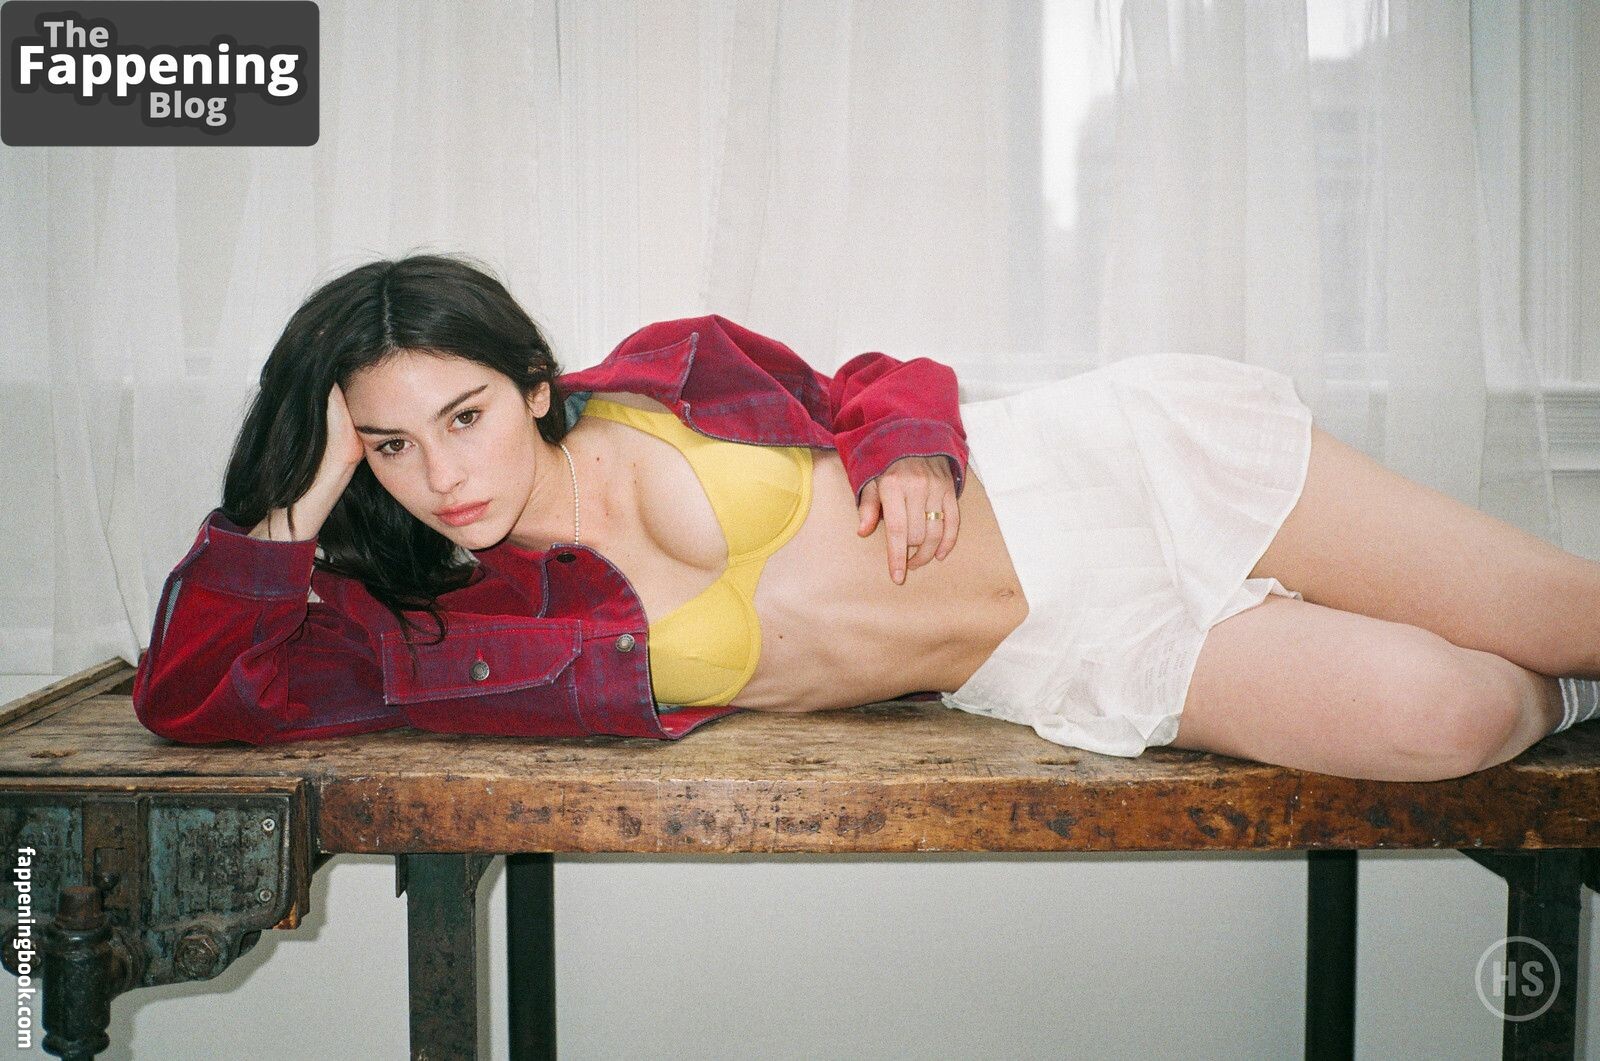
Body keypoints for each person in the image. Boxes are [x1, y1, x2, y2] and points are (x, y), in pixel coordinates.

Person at [131, 253, 1600, 782]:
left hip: (1106, 467)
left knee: (1571, 616)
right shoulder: (437, 631)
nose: (442, 473)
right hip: (1052, 654)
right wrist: (291, 500)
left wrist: (909, 451)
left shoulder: (665, 373)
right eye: (390, 446)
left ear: (531, 383)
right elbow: (193, 698)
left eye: (464, 417)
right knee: (1454, 713)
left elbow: (873, 380)